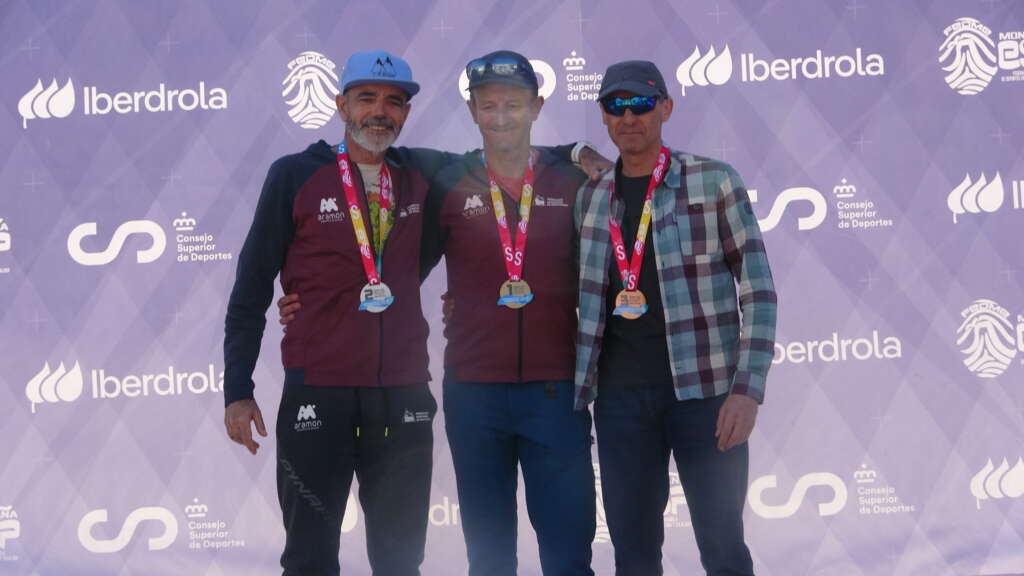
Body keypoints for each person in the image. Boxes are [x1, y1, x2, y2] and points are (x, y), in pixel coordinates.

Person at [223, 50, 440, 576]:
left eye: (393, 101)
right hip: (318, 393)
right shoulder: (295, 175)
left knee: (401, 562)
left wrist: (579, 153)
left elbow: (504, 153)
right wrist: (237, 389)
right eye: (366, 98)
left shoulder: (425, 175)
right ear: (342, 105)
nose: (380, 112)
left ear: (407, 112)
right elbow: (251, 287)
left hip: (402, 394)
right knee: (309, 559)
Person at [573, 60, 778, 576]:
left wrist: (747, 390)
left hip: (706, 397)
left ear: (665, 108)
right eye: (616, 105)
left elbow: (758, 289)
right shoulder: (591, 197)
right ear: (603, 115)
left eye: (641, 103)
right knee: (634, 557)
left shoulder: (714, 181)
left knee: (723, 550)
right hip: (620, 403)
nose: (629, 117)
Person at [420, 50, 597, 576]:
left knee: (568, 555)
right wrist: (314, 302)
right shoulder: (449, 182)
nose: (501, 117)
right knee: (490, 558)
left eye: (514, 105)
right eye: (489, 105)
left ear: (537, 107)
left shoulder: (571, 179)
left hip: (556, 391)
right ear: (472, 111)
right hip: (474, 393)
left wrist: (579, 149)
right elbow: (400, 270)